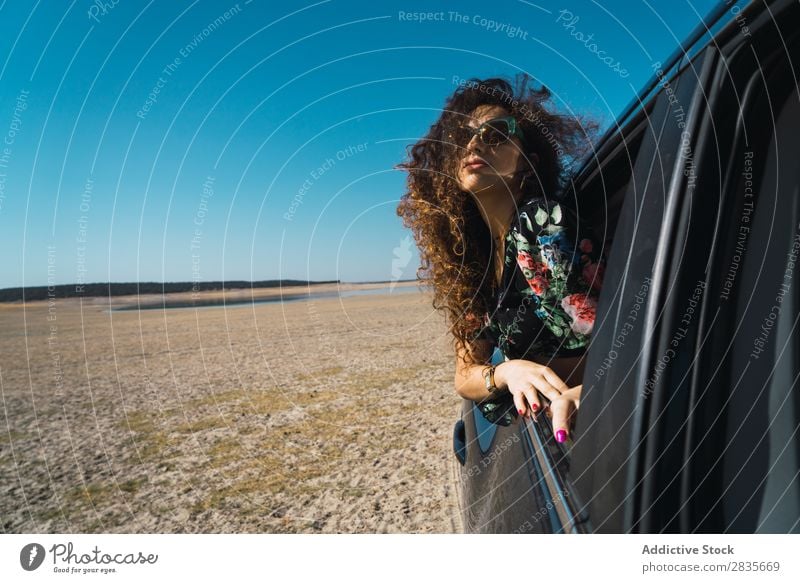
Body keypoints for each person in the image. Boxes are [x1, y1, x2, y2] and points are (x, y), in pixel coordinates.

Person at [396, 74, 606, 443]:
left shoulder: (543, 225)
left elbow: (627, 340)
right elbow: (465, 376)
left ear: (528, 160)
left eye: (496, 133)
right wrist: (507, 374)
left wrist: (587, 391)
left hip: (593, 418)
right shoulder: (468, 259)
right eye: (463, 136)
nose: (476, 143)